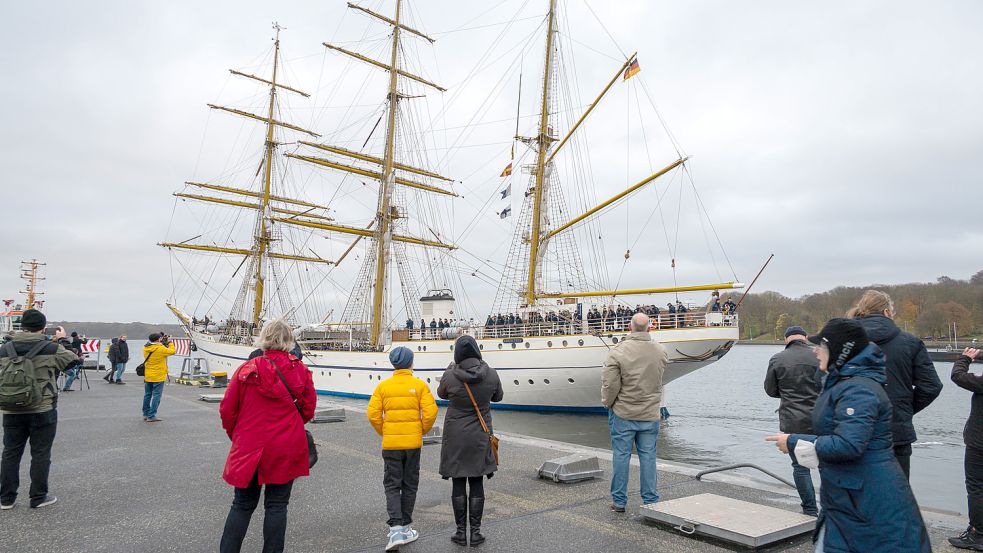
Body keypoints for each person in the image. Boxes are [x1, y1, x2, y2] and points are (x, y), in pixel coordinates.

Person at [766, 318, 931, 553]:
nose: (814, 351)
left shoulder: (858, 389)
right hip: (847, 494)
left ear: (839, 352)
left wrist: (793, 441)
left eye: (820, 346)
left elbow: (849, 445)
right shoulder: (842, 382)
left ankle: (809, 507)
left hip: (865, 496)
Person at [219, 319, 315, 553]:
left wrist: (239, 435)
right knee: (277, 506)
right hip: (285, 446)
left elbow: (227, 409)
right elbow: (308, 409)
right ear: (288, 341)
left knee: (241, 505)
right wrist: (289, 427)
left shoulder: (246, 369)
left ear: (264, 338)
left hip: (250, 444)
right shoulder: (300, 370)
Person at [849, 290, 942, 478]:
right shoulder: (910, 342)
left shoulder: (842, 341)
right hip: (895, 431)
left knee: (854, 496)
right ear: (887, 312)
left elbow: (821, 383)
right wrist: (903, 409)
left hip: (850, 429)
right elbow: (931, 386)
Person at [0, 309, 81, 509]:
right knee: (41, 453)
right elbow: (74, 361)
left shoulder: (4, 349)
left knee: (10, 452)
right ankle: (38, 497)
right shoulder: (51, 348)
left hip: (10, 409)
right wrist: (61, 340)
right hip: (42, 407)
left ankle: (6, 498)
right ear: (43, 327)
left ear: (23, 326)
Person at [367, 346, 438, 551]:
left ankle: (395, 528)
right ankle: (406, 527)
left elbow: (373, 414)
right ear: (410, 363)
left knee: (391, 484)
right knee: (410, 484)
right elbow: (431, 412)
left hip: (391, 444)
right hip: (413, 444)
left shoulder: (383, 387)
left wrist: (385, 431)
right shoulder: (419, 385)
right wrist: (420, 431)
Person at [438, 335, 503, 546]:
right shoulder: (491, 374)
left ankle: (460, 532)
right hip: (480, 435)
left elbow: (442, 394)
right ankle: (475, 533)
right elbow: (498, 397)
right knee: (476, 479)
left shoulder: (449, 375)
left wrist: (450, 371)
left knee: (459, 480)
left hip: (456, 435)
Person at [601, 312, 668, 513]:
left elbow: (610, 384)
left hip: (624, 412)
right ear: (649, 328)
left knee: (621, 456)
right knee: (648, 456)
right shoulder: (661, 351)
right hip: (649, 413)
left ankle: (619, 502)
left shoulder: (618, 351)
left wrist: (608, 403)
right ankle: (650, 499)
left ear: (630, 327)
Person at [764, 325, 821, 516]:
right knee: (829, 465)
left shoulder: (778, 359)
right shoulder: (819, 355)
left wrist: (788, 393)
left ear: (785, 339)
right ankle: (835, 510)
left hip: (793, 421)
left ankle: (810, 510)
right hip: (822, 418)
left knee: (800, 466)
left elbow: (771, 391)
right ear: (805, 337)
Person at [948, 347, 983, 550]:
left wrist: (965, 359)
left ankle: (978, 534)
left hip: (979, 443)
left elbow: (958, 376)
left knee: (977, 486)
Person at [141, 333, 176, 422]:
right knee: (156, 396)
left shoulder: (145, 348)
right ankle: (151, 415)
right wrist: (170, 342)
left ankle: (145, 413)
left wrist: (161, 343)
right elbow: (172, 351)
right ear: (158, 339)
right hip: (158, 375)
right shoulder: (160, 349)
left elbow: (154, 346)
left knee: (147, 395)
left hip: (148, 374)